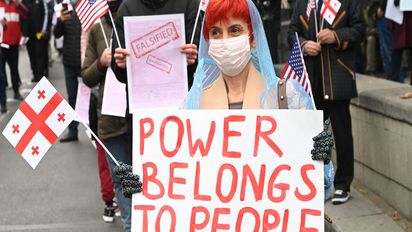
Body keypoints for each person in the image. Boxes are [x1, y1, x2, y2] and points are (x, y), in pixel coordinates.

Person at [114, 0, 334, 203]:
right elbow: (173, 182)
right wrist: (141, 185)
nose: (224, 40)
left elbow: (320, 190)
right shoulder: (192, 104)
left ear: (253, 37)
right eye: (216, 32)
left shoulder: (287, 96)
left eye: (235, 30)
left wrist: (321, 162)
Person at [289, 0, 365, 204]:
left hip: (338, 76)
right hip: (311, 79)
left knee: (342, 135)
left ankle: (342, 184)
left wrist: (336, 36)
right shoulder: (302, 3)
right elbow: (292, 33)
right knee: (318, 135)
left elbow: (360, 31)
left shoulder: (348, 2)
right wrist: (304, 45)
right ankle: (320, 181)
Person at [81, 0, 130, 228]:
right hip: (111, 118)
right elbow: (87, 77)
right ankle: (131, 225)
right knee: (124, 177)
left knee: (145, 177)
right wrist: (101, 62)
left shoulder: (137, 16)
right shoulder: (97, 29)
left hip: (140, 117)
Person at [53, 5, 81, 142]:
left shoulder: (89, 7)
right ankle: (72, 130)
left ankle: (95, 132)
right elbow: (57, 34)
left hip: (85, 61)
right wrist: (61, 21)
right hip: (69, 61)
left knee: (92, 98)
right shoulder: (65, 9)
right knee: (72, 98)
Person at [0, 0, 26, 101]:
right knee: (1, 73)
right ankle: (3, 98)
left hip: (14, 44)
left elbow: (26, 14)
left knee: (14, 69)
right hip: (2, 45)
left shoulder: (16, 4)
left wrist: (18, 4)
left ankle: (16, 91)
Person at [23, 0, 51, 82]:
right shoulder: (25, 2)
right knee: (32, 55)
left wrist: (44, 29)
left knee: (40, 54)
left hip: (39, 34)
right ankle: (35, 74)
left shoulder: (41, 2)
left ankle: (41, 75)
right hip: (29, 35)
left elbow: (46, 14)